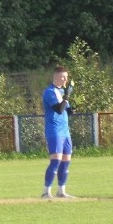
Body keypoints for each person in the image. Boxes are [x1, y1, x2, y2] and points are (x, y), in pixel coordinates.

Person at [41, 66, 74, 199]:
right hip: (54, 130)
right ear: (56, 77)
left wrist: (73, 104)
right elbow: (59, 109)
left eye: (66, 76)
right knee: (56, 161)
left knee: (66, 161)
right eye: (63, 76)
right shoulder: (50, 92)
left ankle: (61, 191)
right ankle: (46, 192)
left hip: (65, 131)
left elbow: (68, 111)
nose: (65, 79)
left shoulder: (62, 92)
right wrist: (67, 97)